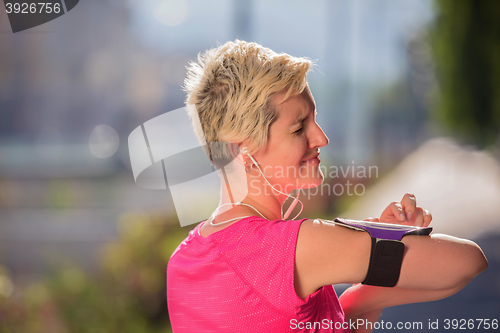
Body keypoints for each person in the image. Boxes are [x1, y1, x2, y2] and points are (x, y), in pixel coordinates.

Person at [166, 40, 488, 333]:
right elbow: (467, 263)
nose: (321, 138)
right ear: (242, 151)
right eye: (298, 127)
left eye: (314, 119)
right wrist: (374, 237)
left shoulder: (182, 264)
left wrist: (369, 274)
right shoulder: (293, 248)